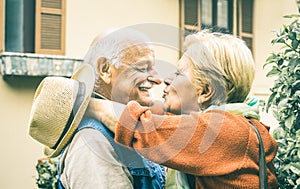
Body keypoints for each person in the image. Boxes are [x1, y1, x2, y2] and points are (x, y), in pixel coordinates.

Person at [86, 30, 279, 188]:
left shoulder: (224, 131)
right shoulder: (231, 124)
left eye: (179, 73)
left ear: (205, 92)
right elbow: (159, 113)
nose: (166, 79)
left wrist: (83, 102)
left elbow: (140, 126)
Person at [36, 28, 165, 189]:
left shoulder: (118, 129)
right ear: (105, 69)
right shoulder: (93, 143)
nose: (158, 79)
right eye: (142, 68)